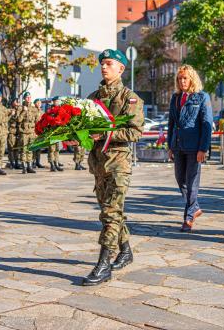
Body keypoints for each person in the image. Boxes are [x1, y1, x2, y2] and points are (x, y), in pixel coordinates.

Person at [81, 48, 144, 286]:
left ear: (121, 69)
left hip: (118, 163)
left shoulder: (130, 98)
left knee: (110, 213)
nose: (104, 67)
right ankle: (125, 250)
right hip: (98, 164)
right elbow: (85, 127)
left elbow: (134, 132)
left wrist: (104, 134)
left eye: (109, 63)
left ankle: (103, 264)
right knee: (112, 212)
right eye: (102, 64)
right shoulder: (92, 97)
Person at [167, 64, 213, 232]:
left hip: (194, 147)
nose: (182, 81)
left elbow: (206, 125)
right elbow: (171, 123)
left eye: (185, 78)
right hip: (178, 145)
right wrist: (170, 145)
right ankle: (195, 208)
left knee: (192, 182)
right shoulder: (175, 98)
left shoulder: (202, 97)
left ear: (192, 79)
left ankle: (188, 217)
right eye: (179, 78)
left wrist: (203, 148)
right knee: (181, 180)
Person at [16, 91, 39, 174]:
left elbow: (37, 121)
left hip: (31, 132)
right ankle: (24, 167)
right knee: (24, 150)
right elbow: (18, 120)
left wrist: (37, 131)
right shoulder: (20, 108)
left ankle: (29, 166)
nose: (28, 99)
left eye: (29, 97)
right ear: (24, 99)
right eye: (27, 97)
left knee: (30, 150)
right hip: (23, 132)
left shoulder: (34, 109)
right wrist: (23, 111)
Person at [48, 96, 64, 172]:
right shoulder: (50, 110)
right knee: (52, 149)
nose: (57, 102)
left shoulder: (61, 109)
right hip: (52, 132)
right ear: (53, 102)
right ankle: (52, 165)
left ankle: (56, 163)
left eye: (58, 101)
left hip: (58, 132)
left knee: (57, 149)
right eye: (56, 101)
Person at [7, 98, 21, 169]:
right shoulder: (9, 110)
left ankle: (16, 163)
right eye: (16, 101)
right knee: (11, 148)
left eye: (18, 102)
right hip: (11, 132)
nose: (17, 103)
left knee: (17, 148)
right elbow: (5, 120)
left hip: (18, 132)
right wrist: (11, 114)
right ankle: (12, 163)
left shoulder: (19, 110)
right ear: (12, 103)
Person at [32, 98, 46, 169]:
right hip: (34, 132)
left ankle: (38, 162)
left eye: (40, 103)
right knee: (34, 147)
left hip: (40, 132)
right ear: (34, 103)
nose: (39, 104)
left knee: (39, 148)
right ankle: (33, 162)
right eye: (37, 102)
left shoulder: (42, 112)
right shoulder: (32, 111)